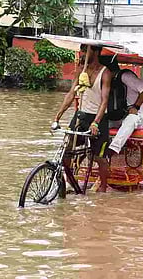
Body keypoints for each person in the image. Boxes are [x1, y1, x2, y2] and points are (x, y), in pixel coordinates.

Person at [51, 45, 112, 192]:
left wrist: (96, 123)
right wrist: (57, 117)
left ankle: (103, 189)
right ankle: (68, 184)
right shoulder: (80, 70)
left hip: (98, 119)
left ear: (96, 52)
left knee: (100, 158)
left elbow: (104, 101)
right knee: (66, 151)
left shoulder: (105, 73)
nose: (82, 54)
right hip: (80, 116)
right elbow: (71, 94)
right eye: (82, 50)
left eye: (86, 51)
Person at [106, 60, 143, 155]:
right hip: (118, 117)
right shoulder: (106, 79)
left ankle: (113, 149)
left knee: (131, 119)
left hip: (136, 117)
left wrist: (136, 107)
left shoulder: (126, 76)